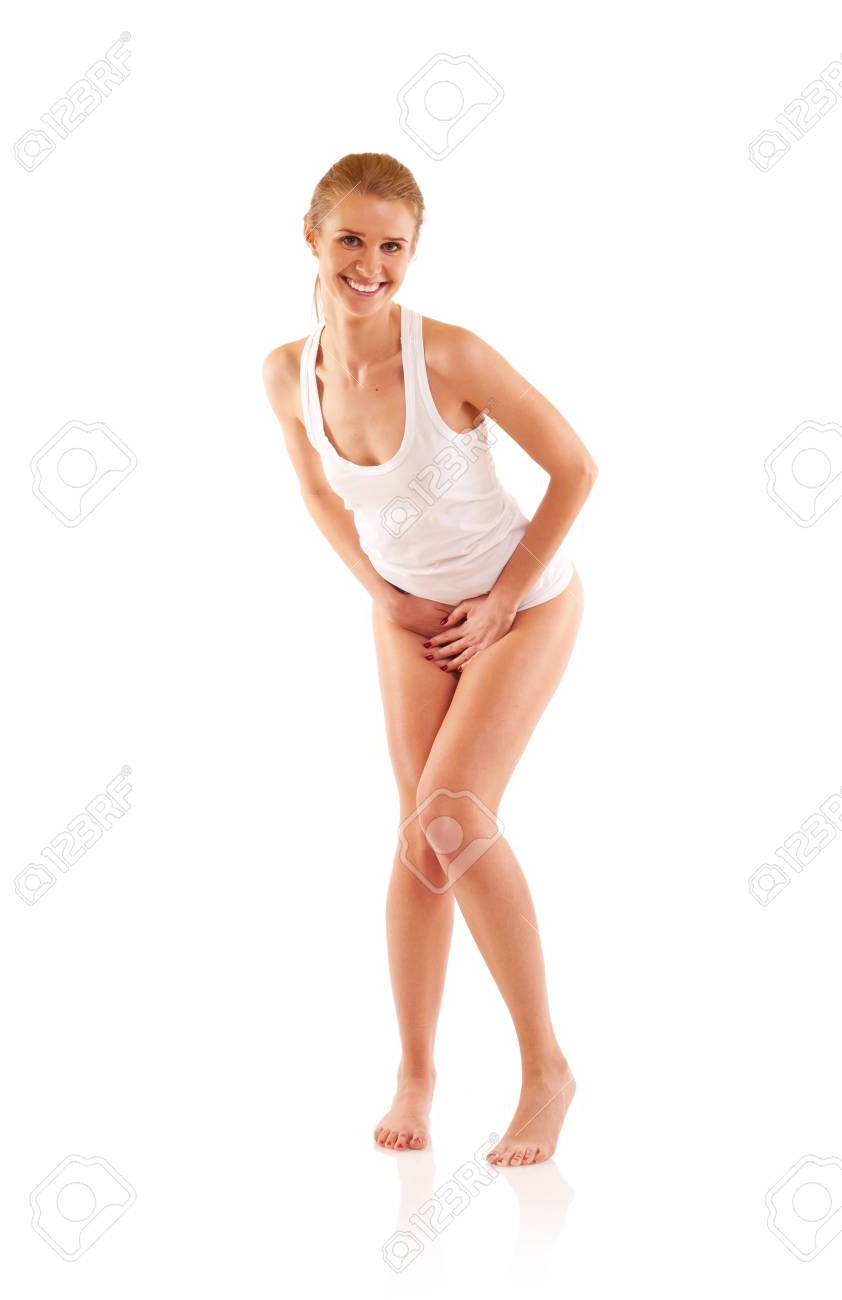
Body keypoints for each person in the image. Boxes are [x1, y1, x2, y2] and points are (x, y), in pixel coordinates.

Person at [262, 152, 598, 1167]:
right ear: (311, 239)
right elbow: (316, 493)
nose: (369, 264)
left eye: (391, 246)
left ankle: (546, 1069)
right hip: (409, 614)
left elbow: (576, 466)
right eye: (350, 240)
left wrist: (499, 600)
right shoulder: (285, 372)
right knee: (420, 838)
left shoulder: (447, 354)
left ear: (413, 253)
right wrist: (385, 597)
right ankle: (416, 1071)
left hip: (522, 602)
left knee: (453, 814)